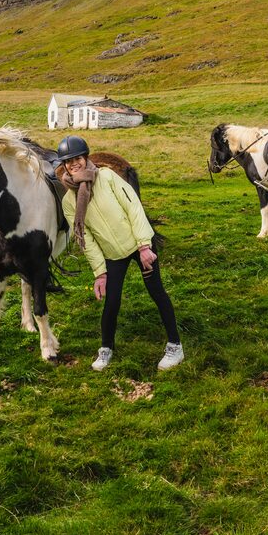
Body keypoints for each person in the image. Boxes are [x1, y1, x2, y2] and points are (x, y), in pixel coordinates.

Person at [55, 135, 183, 372]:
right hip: (114, 254)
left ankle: (175, 345)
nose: (74, 164)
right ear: (64, 166)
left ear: (85, 158)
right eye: (68, 161)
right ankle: (106, 349)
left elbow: (133, 207)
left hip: (138, 244)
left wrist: (145, 246)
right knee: (111, 302)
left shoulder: (106, 177)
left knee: (156, 292)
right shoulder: (69, 201)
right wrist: (100, 273)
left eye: (78, 159)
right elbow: (86, 239)